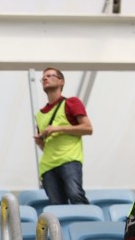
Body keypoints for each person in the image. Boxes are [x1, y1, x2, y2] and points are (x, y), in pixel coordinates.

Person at [33, 67, 93, 205]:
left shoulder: (71, 103)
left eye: (50, 76)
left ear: (61, 81)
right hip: (47, 166)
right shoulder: (40, 115)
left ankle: (86, 224)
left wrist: (57, 128)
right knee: (57, 204)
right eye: (43, 78)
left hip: (69, 160)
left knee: (76, 194)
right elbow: (45, 146)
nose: (45, 79)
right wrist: (40, 142)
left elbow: (88, 128)